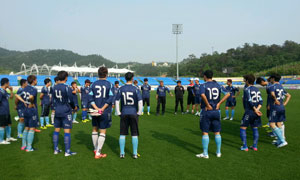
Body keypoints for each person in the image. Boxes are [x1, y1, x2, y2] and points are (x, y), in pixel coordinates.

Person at [196, 70, 230, 159]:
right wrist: (219, 103)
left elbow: (202, 95)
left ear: (205, 76)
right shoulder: (218, 85)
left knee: (205, 132)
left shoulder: (203, 85)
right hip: (216, 111)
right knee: (217, 132)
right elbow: (228, 94)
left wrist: (207, 104)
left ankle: (205, 153)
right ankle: (218, 152)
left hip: (207, 111)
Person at [115, 72, 143, 159]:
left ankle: (122, 153)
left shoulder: (121, 88)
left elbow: (116, 101)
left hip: (124, 113)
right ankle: (134, 153)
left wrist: (118, 112)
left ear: (125, 78)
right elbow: (140, 102)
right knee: (134, 133)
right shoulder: (136, 89)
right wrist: (139, 112)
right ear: (132, 78)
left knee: (122, 133)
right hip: (133, 113)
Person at [89, 67, 114, 159]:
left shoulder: (93, 84)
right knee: (102, 130)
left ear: (98, 74)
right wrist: (102, 108)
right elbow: (110, 98)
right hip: (105, 110)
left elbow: (90, 98)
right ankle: (98, 153)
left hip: (94, 109)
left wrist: (96, 108)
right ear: (106, 74)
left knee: (94, 128)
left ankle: (95, 149)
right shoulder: (110, 84)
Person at [52, 71, 77, 156]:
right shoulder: (67, 88)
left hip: (57, 110)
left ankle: (55, 149)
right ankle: (67, 151)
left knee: (56, 129)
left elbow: (53, 100)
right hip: (66, 111)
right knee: (67, 131)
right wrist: (74, 107)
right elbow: (70, 100)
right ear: (66, 78)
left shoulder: (54, 87)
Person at [240, 74, 263, 151]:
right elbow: (261, 101)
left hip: (250, 112)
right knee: (255, 128)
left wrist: (255, 109)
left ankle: (245, 146)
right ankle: (255, 146)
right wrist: (258, 110)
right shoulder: (257, 89)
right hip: (256, 112)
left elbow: (250, 101)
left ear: (247, 81)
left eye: (244, 79)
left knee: (243, 128)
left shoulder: (247, 90)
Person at [269, 74, 291, 148]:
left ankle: (282, 140)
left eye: (271, 78)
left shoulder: (272, 86)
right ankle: (280, 140)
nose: (270, 80)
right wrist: (284, 103)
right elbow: (289, 95)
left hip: (275, 107)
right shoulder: (281, 86)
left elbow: (272, 94)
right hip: (281, 107)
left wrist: (275, 100)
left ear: (273, 79)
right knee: (279, 123)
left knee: (272, 124)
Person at [21, 75, 38, 151]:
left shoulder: (25, 88)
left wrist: (24, 101)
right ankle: (29, 147)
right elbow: (31, 97)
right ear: (34, 80)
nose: (37, 81)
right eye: (36, 80)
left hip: (25, 109)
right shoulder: (33, 89)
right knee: (32, 128)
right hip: (31, 110)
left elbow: (18, 96)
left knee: (26, 127)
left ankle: (23, 145)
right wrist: (31, 103)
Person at [0, 78, 16, 144]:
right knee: (2, 125)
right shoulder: (0, 91)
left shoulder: (5, 91)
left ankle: (8, 137)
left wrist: (11, 91)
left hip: (6, 111)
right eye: (8, 82)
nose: (9, 84)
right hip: (2, 111)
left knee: (9, 124)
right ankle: (1, 140)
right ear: (6, 83)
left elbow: (11, 97)